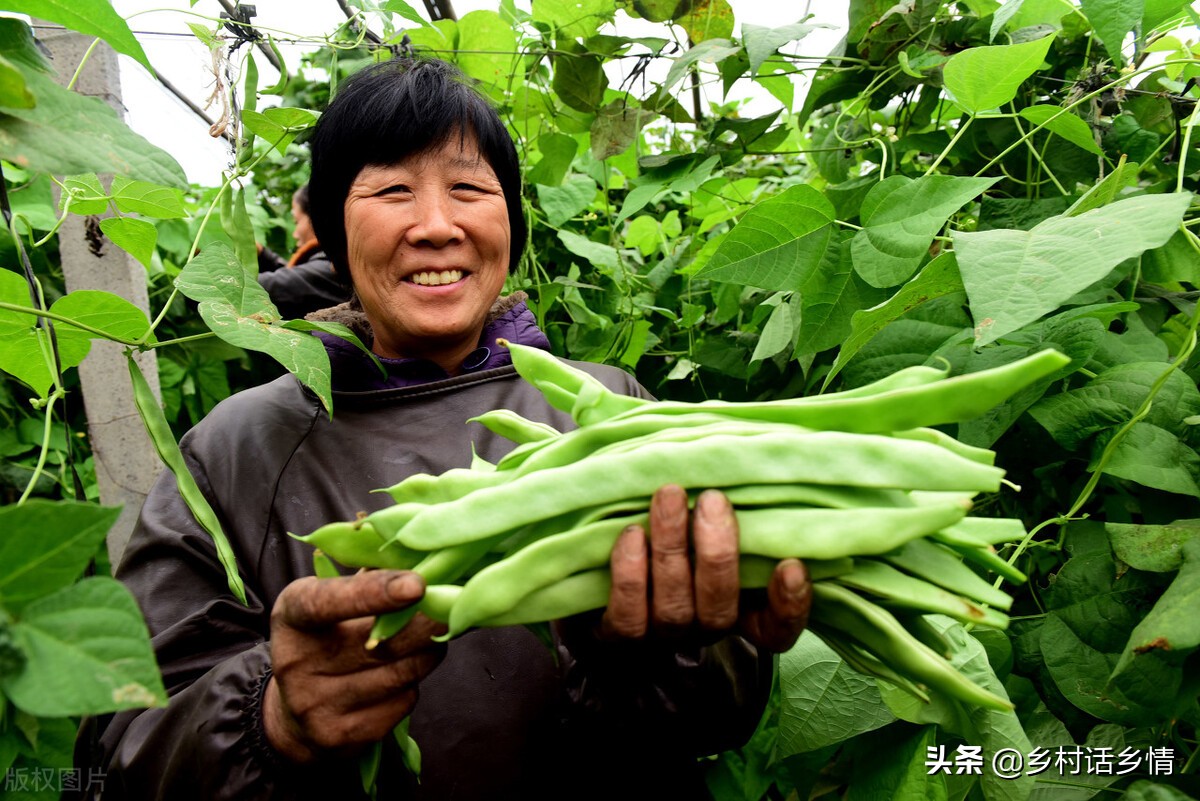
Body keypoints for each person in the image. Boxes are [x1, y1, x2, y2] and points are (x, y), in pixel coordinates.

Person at [76, 57, 812, 800]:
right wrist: (271, 718)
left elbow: (725, 715)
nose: (435, 226)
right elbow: (117, 751)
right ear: (334, 232)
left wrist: (671, 649)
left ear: (510, 223)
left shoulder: (614, 406)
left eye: (468, 189)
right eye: (392, 190)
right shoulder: (236, 450)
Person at [256, 183, 353, 319]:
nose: (295, 234)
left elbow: (281, 285)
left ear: (317, 220)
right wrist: (262, 253)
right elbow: (296, 275)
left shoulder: (335, 267)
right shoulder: (332, 261)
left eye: (296, 221)